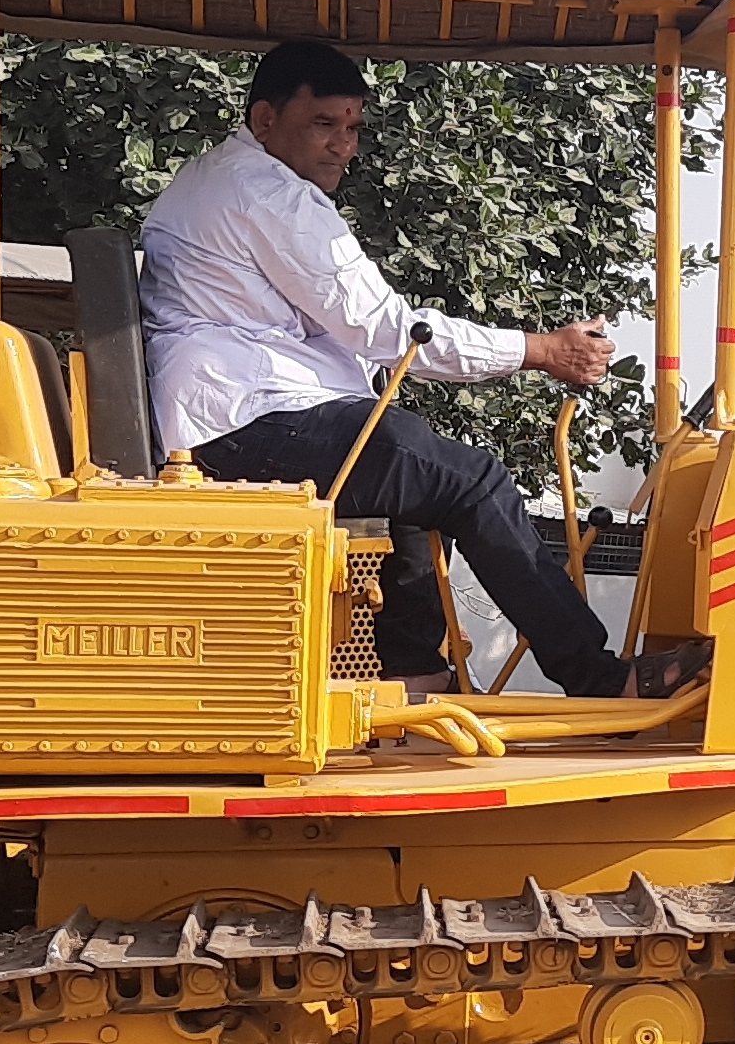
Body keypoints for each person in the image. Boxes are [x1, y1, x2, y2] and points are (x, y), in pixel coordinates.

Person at [141, 40, 676, 697]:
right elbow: (390, 333)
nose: (344, 146)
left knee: (415, 471)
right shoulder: (269, 196)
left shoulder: (215, 178)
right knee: (472, 479)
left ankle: (414, 671)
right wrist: (541, 351)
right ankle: (598, 679)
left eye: (353, 127)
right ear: (264, 121)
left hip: (222, 415)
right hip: (240, 422)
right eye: (323, 125)